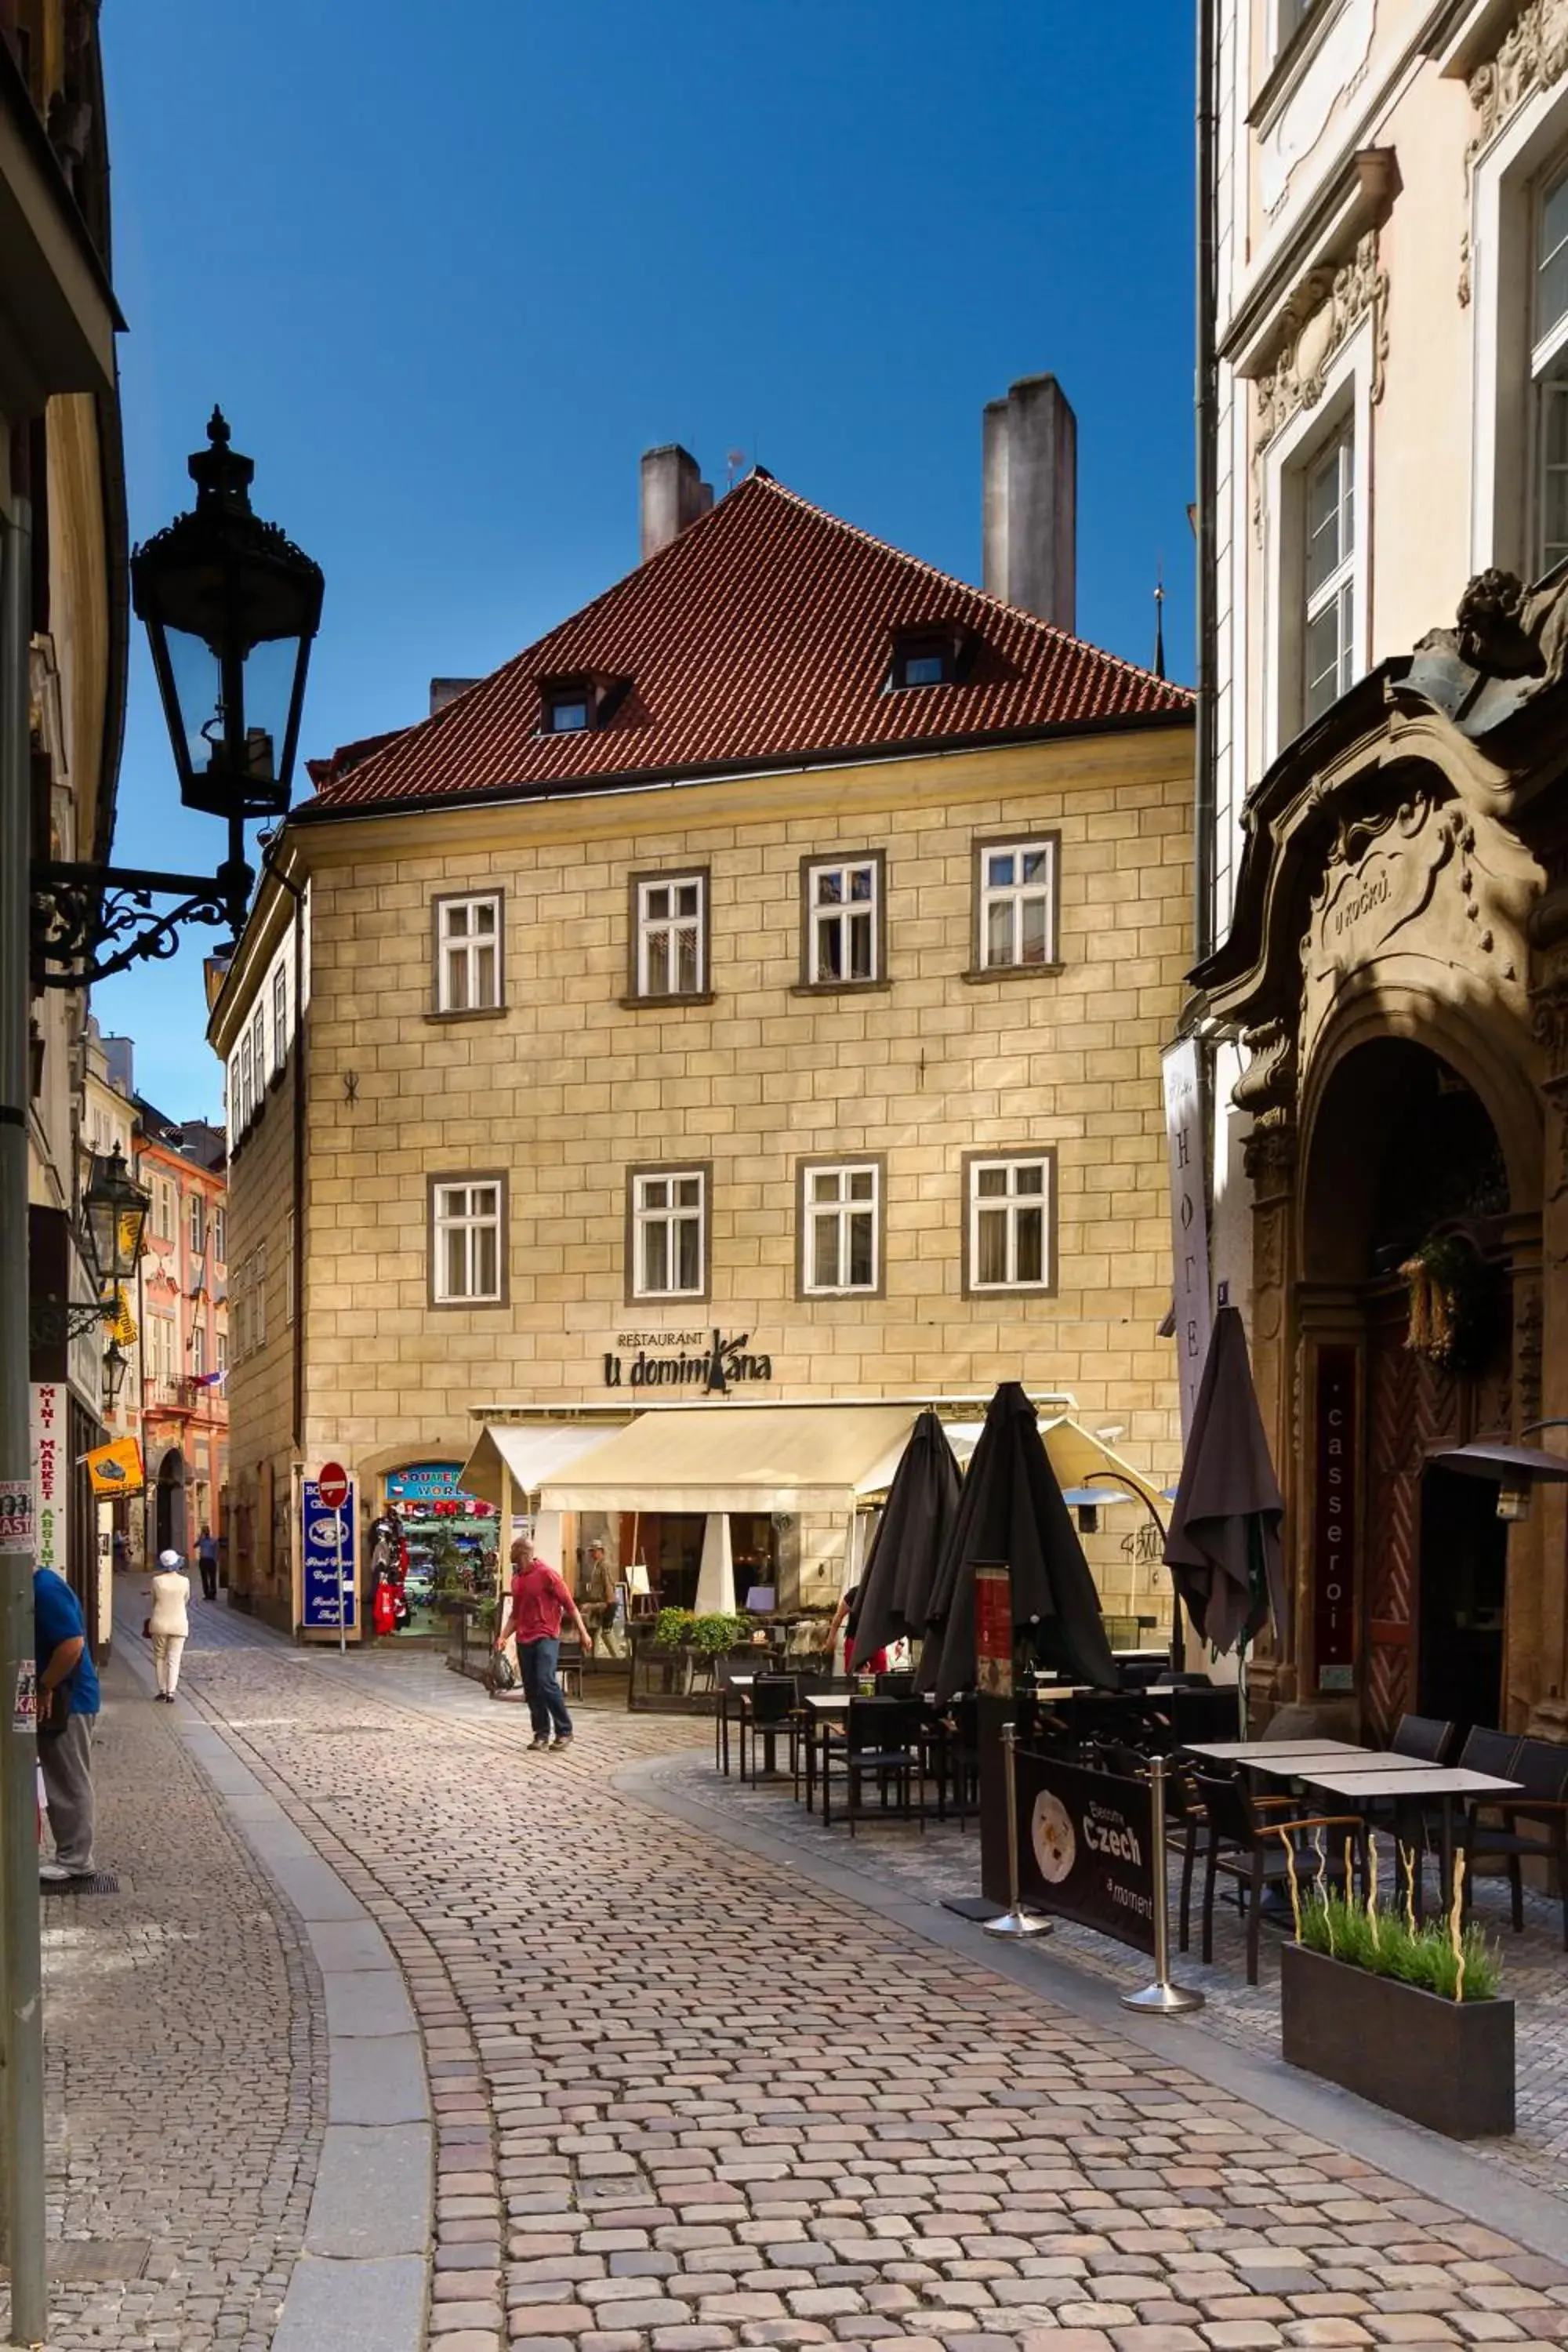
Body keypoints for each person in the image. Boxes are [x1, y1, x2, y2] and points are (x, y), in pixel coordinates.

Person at [33, 1563, 100, 1884]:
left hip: (69, 1700)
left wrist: (46, 1686)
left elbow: (72, 1644)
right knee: (62, 1775)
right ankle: (71, 1855)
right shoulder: (39, 1586)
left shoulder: (44, 1589)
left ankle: (76, 1860)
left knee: (68, 1778)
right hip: (63, 1696)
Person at [494, 1533, 591, 1751]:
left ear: (522, 1553)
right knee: (532, 1688)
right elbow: (515, 1616)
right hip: (524, 1639)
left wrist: (584, 1633)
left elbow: (570, 1605)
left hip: (546, 1636)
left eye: (512, 1550)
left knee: (545, 1680)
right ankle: (541, 1734)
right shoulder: (517, 1580)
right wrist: (502, 1637)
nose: (509, 1553)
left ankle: (564, 1731)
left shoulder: (548, 1575)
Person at [146, 1548, 191, 1701]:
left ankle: (162, 1689)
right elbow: (186, 1600)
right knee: (174, 1658)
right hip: (179, 1624)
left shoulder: (156, 1581)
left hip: (159, 1622)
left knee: (160, 1657)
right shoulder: (185, 1581)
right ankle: (171, 1692)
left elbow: (153, 1601)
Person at [822, 1581, 887, 1677]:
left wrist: (900, 1642)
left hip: (877, 1643)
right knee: (855, 1678)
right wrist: (831, 1640)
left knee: (881, 1677)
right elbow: (839, 1616)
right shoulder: (855, 1593)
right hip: (855, 1641)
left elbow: (893, 1618)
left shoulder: (884, 1594)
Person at [578, 1538, 615, 1655]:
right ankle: (593, 1659)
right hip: (597, 1602)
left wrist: (608, 1603)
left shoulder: (604, 1566)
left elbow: (608, 1584)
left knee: (605, 1632)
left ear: (600, 1551)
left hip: (603, 1603)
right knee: (595, 1632)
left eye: (594, 1551)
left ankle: (617, 1657)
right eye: (591, 1551)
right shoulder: (596, 1566)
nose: (592, 1554)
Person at [196, 1523, 220, 1602]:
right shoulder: (201, 1541)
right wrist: (199, 1539)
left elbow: (216, 1551)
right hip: (203, 1560)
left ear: (209, 1532)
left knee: (212, 1578)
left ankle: (213, 1594)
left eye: (205, 1531)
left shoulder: (213, 1540)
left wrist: (215, 1559)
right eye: (203, 1531)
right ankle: (206, 1594)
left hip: (211, 1560)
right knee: (204, 1578)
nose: (205, 1533)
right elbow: (195, 1546)